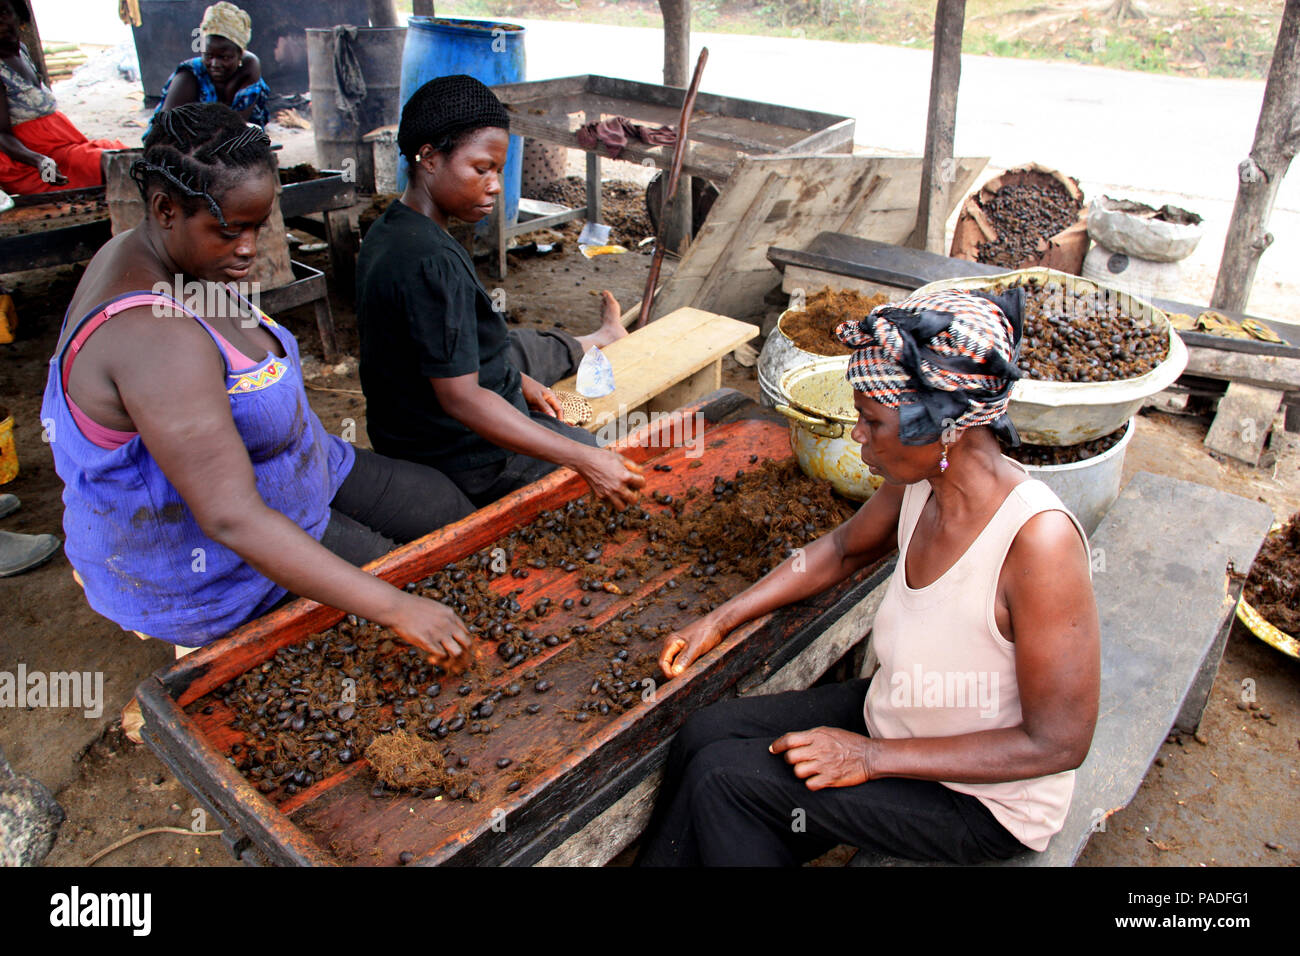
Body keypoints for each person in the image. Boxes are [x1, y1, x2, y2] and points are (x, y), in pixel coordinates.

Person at [638, 288, 1101, 866]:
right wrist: (723, 616)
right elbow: (839, 549)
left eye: (870, 421)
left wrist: (869, 759)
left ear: (946, 429)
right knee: (705, 735)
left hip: (978, 800)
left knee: (726, 782)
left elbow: (1059, 742)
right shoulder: (921, 482)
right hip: (901, 716)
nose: (857, 434)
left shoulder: (1038, 543)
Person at [40, 103, 475, 662]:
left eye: (258, 224)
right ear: (165, 208)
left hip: (300, 469)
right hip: (212, 559)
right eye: (228, 229)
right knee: (411, 593)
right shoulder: (152, 336)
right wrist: (396, 608)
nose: (248, 248)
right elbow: (230, 516)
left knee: (449, 512)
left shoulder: (159, 254)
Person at [355, 75, 645, 509]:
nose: (494, 185)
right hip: (467, 456)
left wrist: (522, 383)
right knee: (597, 455)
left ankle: (594, 344)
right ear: (429, 158)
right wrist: (584, 459)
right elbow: (462, 398)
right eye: (481, 169)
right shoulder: (431, 262)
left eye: (499, 171)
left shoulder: (391, 230)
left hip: (409, 424)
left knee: (518, 349)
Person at [0, 0, 126, 193]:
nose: (1, 23)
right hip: (33, 160)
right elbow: (2, 135)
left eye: (4, 13)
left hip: (63, 145)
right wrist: (38, 159)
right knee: (115, 163)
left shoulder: (22, 52)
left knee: (123, 154)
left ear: (18, 16)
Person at [148, 2, 269, 136]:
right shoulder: (188, 78)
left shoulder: (249, 68)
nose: (215, 64)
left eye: (225, 57)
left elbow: (238, 125)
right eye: (208, 55)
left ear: (240, 55)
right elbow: (163, 131)